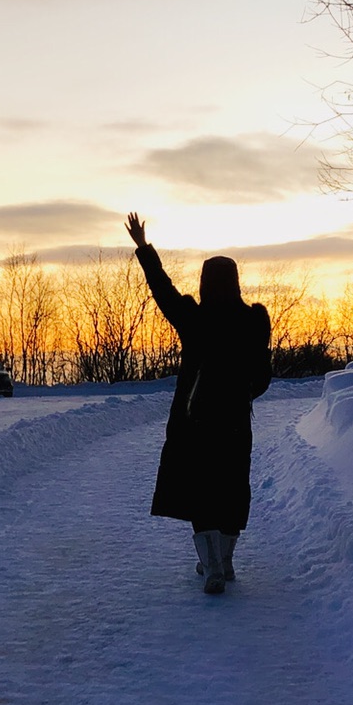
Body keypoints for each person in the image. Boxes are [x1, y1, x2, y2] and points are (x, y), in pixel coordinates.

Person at [125, 212, 272, 595]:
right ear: (236, 282)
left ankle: (211, 567)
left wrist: (143, 248)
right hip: (236, 421)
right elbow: (263, 376)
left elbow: (163, 290)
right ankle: (224, 560)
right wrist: (242, 395)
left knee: (202, 491)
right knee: (232, 488)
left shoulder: (193, 317)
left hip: (194, 422)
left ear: (205, 282)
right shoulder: (254, 321)